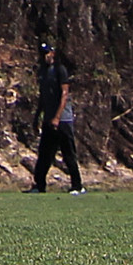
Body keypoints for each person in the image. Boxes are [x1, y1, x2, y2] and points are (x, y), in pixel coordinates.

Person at [25, 41, 86, 195]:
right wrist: (38, 116)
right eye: (41, 54)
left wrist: (57, 117)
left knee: (68, 153)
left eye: (46, 53)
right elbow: (42, 97)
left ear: (52, 53)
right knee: (45, 154)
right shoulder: (43, 72)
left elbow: (64, 94)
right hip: (48, 118)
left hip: (62, 119)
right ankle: (39, 185)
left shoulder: (60, 70)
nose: (44, 57)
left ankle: (77, 186)